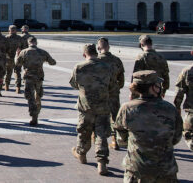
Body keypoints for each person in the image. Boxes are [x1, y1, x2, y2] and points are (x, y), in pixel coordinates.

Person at [115, 70, 183, 182]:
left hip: (137, 169)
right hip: (165, 169)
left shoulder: (127, 108)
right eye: (158, 85)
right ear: (153, 88)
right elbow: (176, 137)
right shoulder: (170, 109)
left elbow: (121, 138)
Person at [69, 44, 116, 176]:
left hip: (86, 107)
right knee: (101, 135)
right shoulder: (107, 67)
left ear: (84, 55)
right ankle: (102, 163)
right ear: (96, 52)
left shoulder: (79, 67)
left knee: (84, 132)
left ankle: (81, 154)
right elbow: (112, 85)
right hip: (102, 106)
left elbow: (73, 84)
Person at [14, 37, 56, 125]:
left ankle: (34, 115)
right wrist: (45, 58)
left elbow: (17, 63)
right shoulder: (42, 52)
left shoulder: (24, 52)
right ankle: (37, 111)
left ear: (28, 43)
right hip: (39, 77)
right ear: (36, 42)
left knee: (30, 97)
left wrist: (17, 55)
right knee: (38, 96)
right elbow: (53, 63)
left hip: (28, 77)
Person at [97, 37, 125, 149]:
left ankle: (97, 139)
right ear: (108, 47)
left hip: (99, 94)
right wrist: (116, 87)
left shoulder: (96, 60)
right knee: (115, 116)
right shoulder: (117, 60)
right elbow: (121, 80)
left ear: (98, 48)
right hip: (113, 93)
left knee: (99, 116)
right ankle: (116, 140)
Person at [174, 50, 193, 151]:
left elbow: (179, 92)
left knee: (189, 137)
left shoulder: (187, 71)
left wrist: (177, 107)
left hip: (191, 112)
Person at [4, 25, 22, 92]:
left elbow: (4, 47)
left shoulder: (6, 38)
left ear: (9, 30)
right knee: (17, 72)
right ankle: (18, 87)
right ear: (16, 30)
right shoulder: (20, 38)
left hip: (8, 57)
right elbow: (22, 47)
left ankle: (6, 85)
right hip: (18, 57)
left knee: (8, 72)